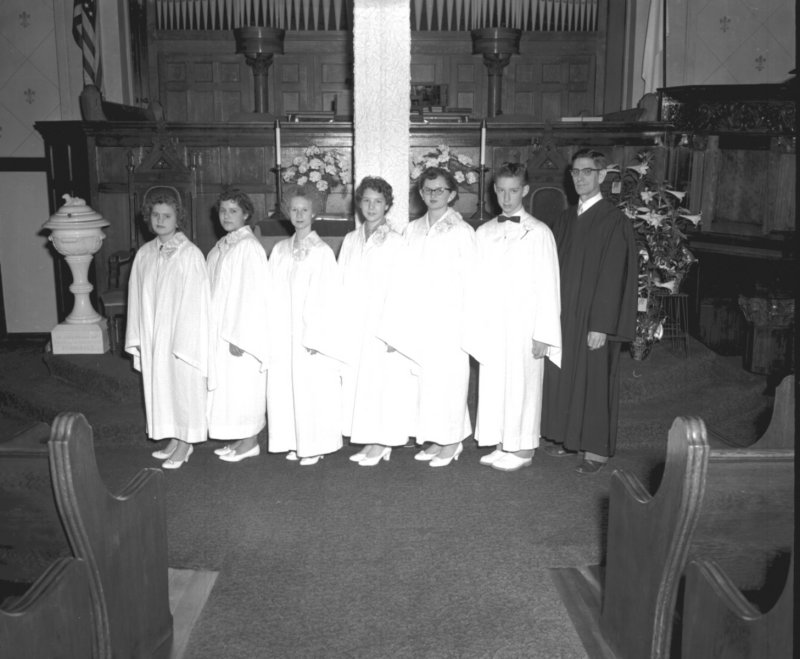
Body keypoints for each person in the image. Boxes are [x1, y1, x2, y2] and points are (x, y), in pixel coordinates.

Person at [541, 149, 637, 474]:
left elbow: (613, 275)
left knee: (594, 381)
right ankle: (571, 439)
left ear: (601, 175)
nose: (579, 178)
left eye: (586, 172)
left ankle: (596, 450)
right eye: (575, 172)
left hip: (594, 318)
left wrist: (601, 324)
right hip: (566, 314)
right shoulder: (566, 219)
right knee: (567, 375)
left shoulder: (613, 220)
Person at [467, 162, 561, 472]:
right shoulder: (483, 232)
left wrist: (544, 333)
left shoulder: (539, 232)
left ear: (525, 190)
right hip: (493, 322)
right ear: (494, 191)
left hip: (524, 324)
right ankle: (500, 442)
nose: (507, 198)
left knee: (523, 384)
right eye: (501, 191)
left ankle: (523, 449)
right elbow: (475, 282)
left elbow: (549, 285)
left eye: (513, 191)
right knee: (494, 383)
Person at [380, 167, 476, 468]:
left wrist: (467, 323)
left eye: (440, 190)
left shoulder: (462, 231)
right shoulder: (413, 229)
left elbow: (473, 281)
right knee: (426, 383)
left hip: (449, 319)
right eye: (428, 190)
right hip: (419, 318)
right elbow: (401, 276)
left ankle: (452, 440)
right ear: (420, 194)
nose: (433, 195)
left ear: (452, 194)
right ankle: (435, 437)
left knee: (450, 380)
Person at [125, 187, 213, 469]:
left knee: (182, 386)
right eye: (155, 215)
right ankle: (174, 437)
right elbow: (137, 296)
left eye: (167, 215)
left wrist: (183, 338)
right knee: (162, 386)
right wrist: (140, 334)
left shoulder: (190, 254)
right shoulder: (145, 253)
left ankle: (186, 443)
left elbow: (197, 301)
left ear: (179, 219)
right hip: (154, 333)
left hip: (180, 335)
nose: (160, 220)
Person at [339, 176, 415, 467]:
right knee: (361, 384)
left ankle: (384, 441)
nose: (371, 207)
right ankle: (370, 438)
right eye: (366, 200)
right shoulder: (350, 240)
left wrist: (394, 333)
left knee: (383, 384)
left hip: (383, 325)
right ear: (359, 203)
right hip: (356, 324)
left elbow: (403, 288)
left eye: (378, 201)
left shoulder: (396, 242)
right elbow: (342, 283)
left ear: (388, 206)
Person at [266, 187, 344, 466]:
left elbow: (327, 298)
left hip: (309, 335)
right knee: (285, 387)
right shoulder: (279, 249)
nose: (299, 215)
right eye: (294, 209)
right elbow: (271, 292)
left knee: (311, 388)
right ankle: (294, 440)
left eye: (304, 210)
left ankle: (315, 444)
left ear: (315, 213)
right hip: (284, 332)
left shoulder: (321, 252)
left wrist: (315, 337)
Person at [206, 187, 270, 463]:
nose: (227, 215)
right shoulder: (224, 245)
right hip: (221, 328)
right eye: (223, 210)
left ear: (246, 214)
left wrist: (240, 336)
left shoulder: (249, 247)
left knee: (244, 387)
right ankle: (240, 437)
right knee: (230, 389)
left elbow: (253, 294)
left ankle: (251, 441)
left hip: (240, 334)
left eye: (233, 211)